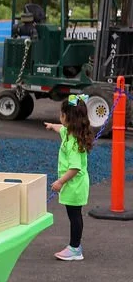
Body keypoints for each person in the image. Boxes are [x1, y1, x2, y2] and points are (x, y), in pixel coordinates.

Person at [44, 94, 93, 262]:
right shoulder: (70, 132)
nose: (60, 118)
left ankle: (75, 248)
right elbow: (61, 128)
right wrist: (52, 126)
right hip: (74, 185)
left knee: (75, 216)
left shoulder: (73, 142)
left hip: (75, 184)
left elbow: (75, 167)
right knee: (74, 214)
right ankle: (75, 246)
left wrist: (60, 182)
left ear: (67, 117)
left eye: (61, 115)